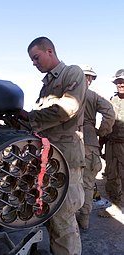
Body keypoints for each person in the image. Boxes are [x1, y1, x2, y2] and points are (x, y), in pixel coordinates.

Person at [18, 36, 87, 255]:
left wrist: (30, 117)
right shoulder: (46, 86)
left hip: (66, 159)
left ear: (50, 51)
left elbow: (66, 109)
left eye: (36, 57)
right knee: (51, 214)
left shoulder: (72, 73)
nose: (34, 63)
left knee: (64, 220)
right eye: (32, 60)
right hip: (50, 160)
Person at [76, 65, 115, 229]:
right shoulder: (94, 96)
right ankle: (84, 220)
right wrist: (102, 131)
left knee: (68, 182)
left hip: (68, 139)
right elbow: (110, 112)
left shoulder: (66, 93)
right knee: (87, 183)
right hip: (90, 141)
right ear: (90, 79)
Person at [98, 69, 124, 217]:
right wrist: (100, 143)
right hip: (112, 145)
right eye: (118, 82)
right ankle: (115, 205)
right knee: (112, 176)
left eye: (123, 81)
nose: (121, 84)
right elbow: (106, 123)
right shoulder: (111, 101)